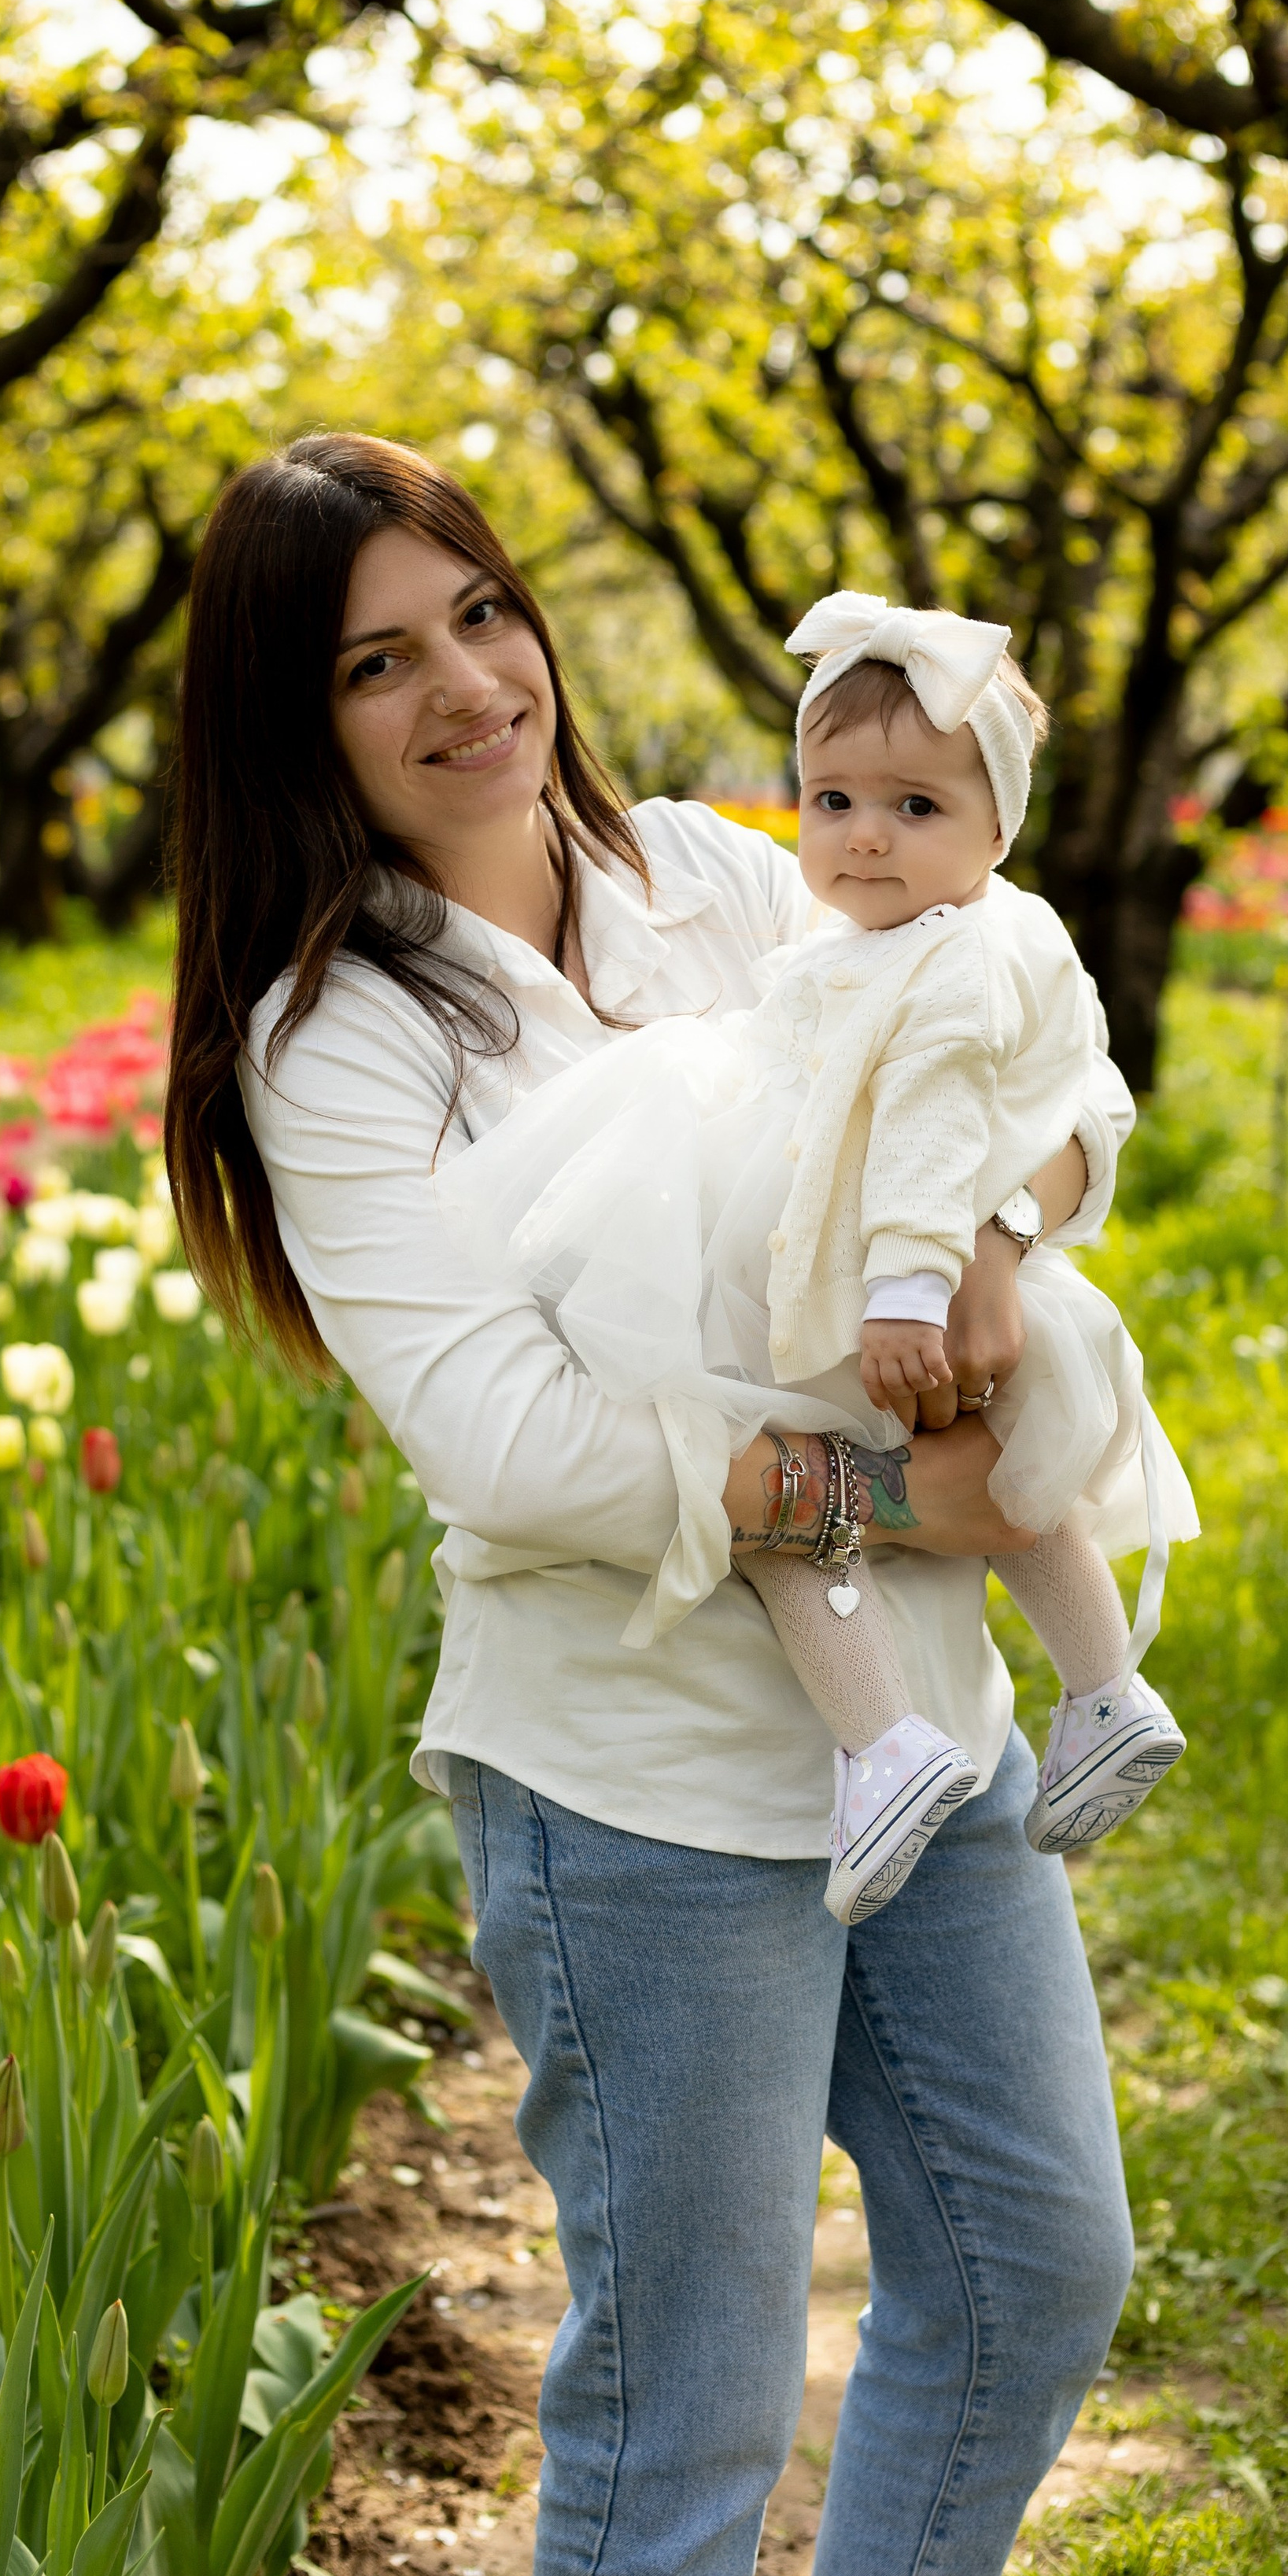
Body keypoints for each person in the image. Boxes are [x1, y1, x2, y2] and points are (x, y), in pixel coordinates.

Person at [165, 433, 1140, 2576]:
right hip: (632, 1790)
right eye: (374, 665)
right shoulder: (339, 1042)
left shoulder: (728, 873)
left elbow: (1023, 1053)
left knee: (1032, 2261)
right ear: (291, 727)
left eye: (480, 615)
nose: (463, 690)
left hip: (925, 1726)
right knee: (688, 2401)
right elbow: (515, 1448)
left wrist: (1005, 1237)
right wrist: (928, 1510)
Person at [436, 588, 1194, 1916]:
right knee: (1010, 1484)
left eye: (916, 808)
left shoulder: (935, 966)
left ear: (999, 828)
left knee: (776, 1497)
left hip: (871, 1292)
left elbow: (926, 1135)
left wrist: (924, 1279)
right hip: (882, 1276)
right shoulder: (955, 937)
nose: (862, 838)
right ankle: (1105, 1692)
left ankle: (887, 1744)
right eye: (832, 800)